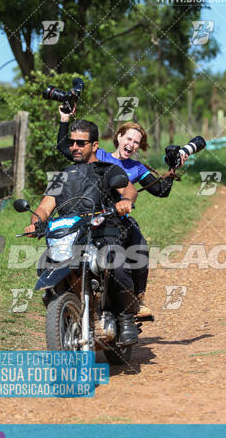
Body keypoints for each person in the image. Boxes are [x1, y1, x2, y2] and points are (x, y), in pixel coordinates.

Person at [57, 109, 188, 319]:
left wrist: (172, 172)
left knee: (139, 246)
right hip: (90, 214)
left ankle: (138, 298)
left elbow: (160, 191)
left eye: (137, 142)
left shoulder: (137, 168)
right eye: (129, 138)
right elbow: (66, 148)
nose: (132, 145)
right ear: (118, 137)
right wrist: (65, 119)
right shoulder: (99, 155)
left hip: (117, 218)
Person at [25, 119, 140, 345]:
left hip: (103, 231)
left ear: (94, 145)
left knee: (113, 261)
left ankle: (126, 317)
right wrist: (36, 222)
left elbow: (129, 190)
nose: (74, 147)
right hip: (71, 236)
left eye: (80, 143)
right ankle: (61, 310)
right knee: (45, 263)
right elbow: (44, 207)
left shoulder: (109, 170)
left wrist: (125, 201)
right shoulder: (64, 175)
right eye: (72, 143)